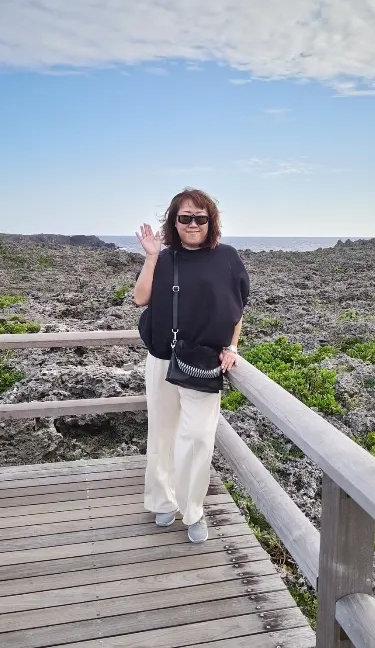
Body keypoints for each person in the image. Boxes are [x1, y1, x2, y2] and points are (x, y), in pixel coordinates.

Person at [133, 188, 250, 543]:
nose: (193, 224)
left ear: (210, 221)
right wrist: (152, 257)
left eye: (200, 218)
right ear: (175, 221)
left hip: (201, 363)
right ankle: (162, 501)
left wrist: (232, 347)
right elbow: (141, 298)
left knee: (197, 437)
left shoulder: (227, 258)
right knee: (163, 434)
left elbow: (237, 310)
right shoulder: (165, 258)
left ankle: (193, 510)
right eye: (185, 218)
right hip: (162, 358)